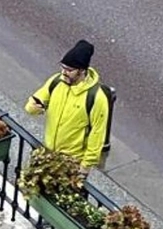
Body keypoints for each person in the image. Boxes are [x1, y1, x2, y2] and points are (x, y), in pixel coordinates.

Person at [25, 39, 111, 171]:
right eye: (62, 67)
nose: (63, 72)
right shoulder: (56, 81)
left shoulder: (96, 98)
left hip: (72, 163)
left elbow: (97, 134)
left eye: (69, 70)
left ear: (81, 71)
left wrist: (85, 167)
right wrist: (32, 107)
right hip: (48, 154)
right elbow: (36, 100)